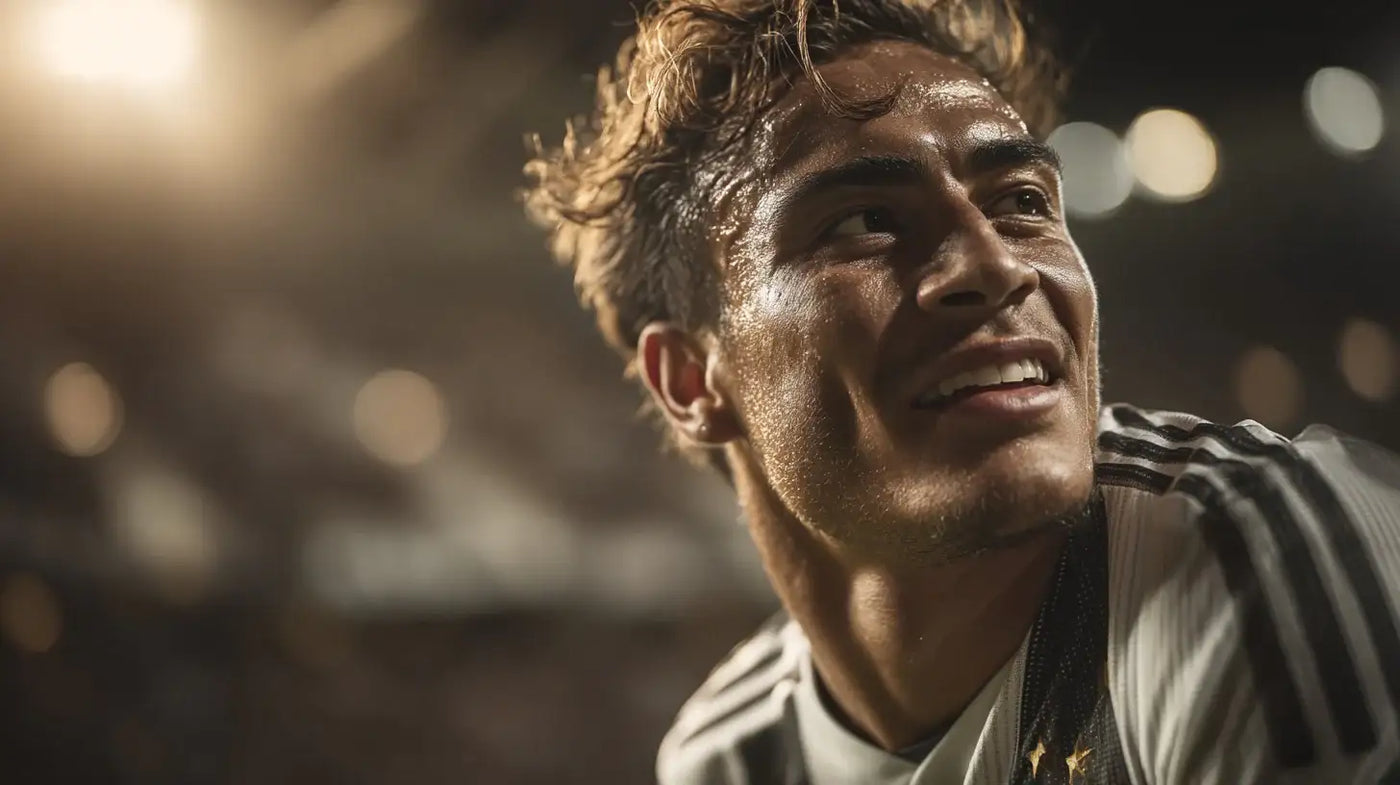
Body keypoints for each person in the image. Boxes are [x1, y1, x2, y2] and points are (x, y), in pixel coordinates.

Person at [522, 0, 1400, 782]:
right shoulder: (726, 757)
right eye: (865, 221)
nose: (993, 262)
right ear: (691, 380)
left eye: (1021, 200)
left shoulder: (1252, 556)